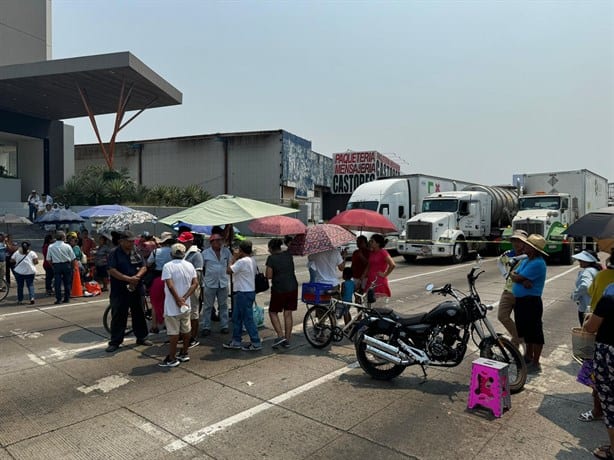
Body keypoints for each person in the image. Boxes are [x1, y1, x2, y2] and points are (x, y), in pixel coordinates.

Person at [105, 230, 152, 353]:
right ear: (121, 241)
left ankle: (141, 337)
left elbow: (144, 266)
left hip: (136, 287)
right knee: (119, 315)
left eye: (133, 241)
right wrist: (128, 279)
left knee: (139, 313)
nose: (132, 243)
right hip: (119, 289)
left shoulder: (136, 251)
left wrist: (136, 277)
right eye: (129, 241)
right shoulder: (114, 253)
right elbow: (111, 270)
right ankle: (115, 341)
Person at [582, 283, 614, 460]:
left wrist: (588, 318)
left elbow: (591, 327)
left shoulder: (609, 298)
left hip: (608, 355)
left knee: (610, 403)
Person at [510, 233, 548, 373]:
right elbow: (514, 274)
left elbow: (517, 276)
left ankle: (536, 361)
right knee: (526, 331)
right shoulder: (527, 260)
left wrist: (520, 278)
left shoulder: (538, 262)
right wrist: (519, 278)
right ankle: (528, 355)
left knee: (535, 332)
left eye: (527, 245)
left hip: (531, 302)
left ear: (534, 249)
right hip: (521, 301)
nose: (524, 247)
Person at [159, 243, 199, 367]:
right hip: (186, 305)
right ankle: (184, 352)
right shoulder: (190, 265)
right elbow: (195, 283)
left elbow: (170, 285)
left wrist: (177, 299)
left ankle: (171, 358)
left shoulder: (167, 266)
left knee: (173, 332)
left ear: (171, 254)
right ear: (183, 253)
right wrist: (184, 298)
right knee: (186, 330)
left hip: (172, 306)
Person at [224, 240, 262, 351]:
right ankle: (236, 340)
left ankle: (255, 342)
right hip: (248, 291)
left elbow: (228, 270)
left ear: (241, 250)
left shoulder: (242, 262)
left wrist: (233, 258)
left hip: (243, 292)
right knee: (237, 317)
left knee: (247, 318)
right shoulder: (252, 260)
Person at [496, 229, 528, 347]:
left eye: (519, 241)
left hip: (522, 293)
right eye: (514, 240)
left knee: (521, 321)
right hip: (508, 290)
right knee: (502, 316)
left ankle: (515, 348)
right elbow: (499, 261)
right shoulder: (509, 253)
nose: (516, 243)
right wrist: (505, 274)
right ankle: (520, 338)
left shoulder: (529, 256)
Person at [265, 237, 298, 349]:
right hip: (293, 287)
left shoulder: (271, 258)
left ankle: (280, 335)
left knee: (273, 312)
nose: (268, 250)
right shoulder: (288, 255)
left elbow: (269, 275)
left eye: (269, 248)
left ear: (272, 248)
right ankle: (287, 340)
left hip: (279, 289)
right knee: (288, 313)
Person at [201, 233, 232, 336]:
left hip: (223, 282)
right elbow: (202, 268)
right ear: (212, 242)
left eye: (220, 240)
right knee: (208, 307)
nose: (219, 242)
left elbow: (230, 263)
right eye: (217, 240)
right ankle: (206, 326)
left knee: (223, 305)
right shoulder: (205, 253)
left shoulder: (226, 251)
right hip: (210, 283)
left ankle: (224, 326)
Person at [177, 231, 203, 349]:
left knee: (193, 312)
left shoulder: (196, 254)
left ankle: (193, 337)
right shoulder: (183, 253)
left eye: (184, 241)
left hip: (192, 287)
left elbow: (198, 274)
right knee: (183, 312)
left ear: (190, 242)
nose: (181, 243)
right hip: (182, 287)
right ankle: (184, 335)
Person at [147, 232, 175, 333]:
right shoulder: (174, 251)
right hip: (171, 279)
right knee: (169, 302)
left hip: (158, 278)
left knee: (155, 303)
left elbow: (149, 263)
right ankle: (168, 324)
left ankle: (154, 326)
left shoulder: (156, 252)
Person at [571, 250, 601, 326]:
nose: (579, 262)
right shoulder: (596, 270)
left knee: (586, 331)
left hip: (586, 307)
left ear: (587, 261)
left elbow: (585, 286)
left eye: (581, 260)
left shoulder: (587, 271)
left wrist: (575, 295)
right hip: (594, 305)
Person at [45, 231, 76, 304]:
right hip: (66, 264)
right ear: (62, 237)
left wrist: (53, 266)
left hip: (57, 265)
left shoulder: (51, 246)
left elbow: (48, 259)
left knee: (57, 283)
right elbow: (73, 258)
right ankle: (67, 298)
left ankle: (58, 299)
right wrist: (73, 267)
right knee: (67, 282)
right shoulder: (67, 246)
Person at [364, 234, 395, 298]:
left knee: (377, 304)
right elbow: (369, 266)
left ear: (378, 244)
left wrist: (385, 274)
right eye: (370, 241)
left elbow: (392, 265)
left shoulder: (383, 252)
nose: (370, 242)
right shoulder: (372, 252)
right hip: (370, 280)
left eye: (372, 241)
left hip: (379, 281)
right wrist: (363, 276)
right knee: (368, 302)